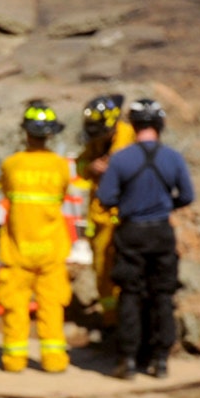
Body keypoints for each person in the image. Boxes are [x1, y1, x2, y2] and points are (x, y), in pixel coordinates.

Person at [96, 99, 194, 380]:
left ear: (134, 125)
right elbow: (187, 196)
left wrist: (130, 203)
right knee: (162, 294)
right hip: (161, 231)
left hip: (131, 232)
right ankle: (160, 360)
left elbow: (105, 198)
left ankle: (127, 360)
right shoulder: (173, 158)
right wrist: (163, 206)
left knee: (130, 294)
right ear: (160, 125)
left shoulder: (121, 159)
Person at [0, 102, 73, 374]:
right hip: (51, 249)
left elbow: (5, 193)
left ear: (25, 133)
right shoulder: (59, 166)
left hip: (17, 249)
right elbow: (63, 195)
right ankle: (54, 361)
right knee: (52, 307)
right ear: (49, 135)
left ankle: (14, 361)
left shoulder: (12, 164)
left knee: (14, 307)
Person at [76, 94, 135, 324]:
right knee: (102, 273)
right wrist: (90, 167)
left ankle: (125, 323)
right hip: (100, 219)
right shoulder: (97, 138)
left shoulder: (127, 138)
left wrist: (109, 168)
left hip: (122, 217)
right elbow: (80, 166)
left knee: (123, 273)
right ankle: (111, 322)